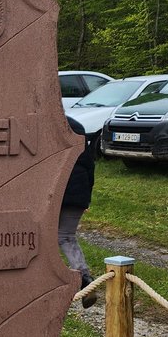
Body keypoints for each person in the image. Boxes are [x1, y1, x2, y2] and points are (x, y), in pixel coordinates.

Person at [59, 116, 97, 308]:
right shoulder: (78, 127)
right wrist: (86, 198)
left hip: (58, 193)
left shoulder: (51, 125)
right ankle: (84, 276)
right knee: (67, 236)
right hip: (79, 194)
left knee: (47, 236)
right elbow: (90, 167)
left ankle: (60, 278)